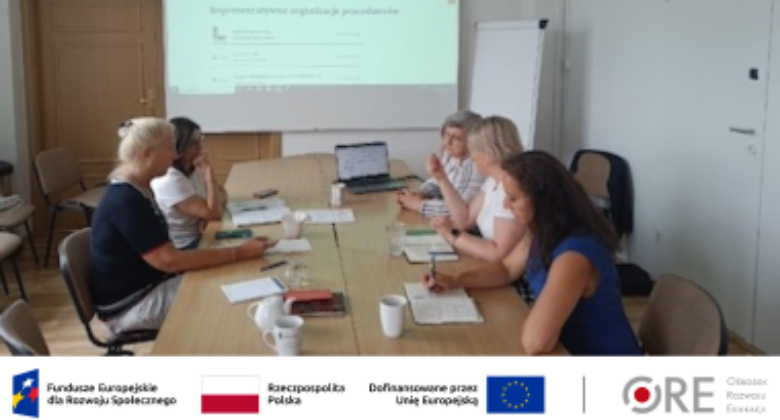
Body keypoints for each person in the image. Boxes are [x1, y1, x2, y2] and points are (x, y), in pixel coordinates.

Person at [423, 151, 642, 356]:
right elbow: (507, 269)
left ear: (542, 200)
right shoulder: (543, 228)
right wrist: (456, 281)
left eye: (513, 198)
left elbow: (535, 342)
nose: (506, 205)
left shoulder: (575, 256)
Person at [91, 117, 275, 336]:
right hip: (131, 307)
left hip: (154, 285)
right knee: (225, 295)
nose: (175, 155)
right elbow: (170, 261)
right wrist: (240, 252)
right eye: (170, 148)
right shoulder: (126, 200)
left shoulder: (138, 189)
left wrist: (236, 254)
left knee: (230, 275)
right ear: (146, 154)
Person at [427, 116, 526, 262]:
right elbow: (464, 220)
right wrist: (441, 178)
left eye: (473, 150)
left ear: (488, 154)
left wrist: (451, 233)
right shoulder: (492, 180)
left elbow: (498, 253)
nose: (471, 157)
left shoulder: (511, 189)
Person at [151, 117, 224, 249]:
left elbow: (223, 194)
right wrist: (209, 174)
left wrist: (205, 216)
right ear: (178, 147)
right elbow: (215, 214)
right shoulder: (170, 179)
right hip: (185, 245)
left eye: (201, 140)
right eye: (193, 144)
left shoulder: (193, 167)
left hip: (201, 235)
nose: (200, 148)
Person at [396, 110, 485, 217]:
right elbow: (439, 183)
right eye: (446, 135)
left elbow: (458, 210)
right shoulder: (451, 154)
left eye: (456, 138)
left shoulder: (475, 167)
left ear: (473, 142)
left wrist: (418, 205)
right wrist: (422, 194)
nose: (448, 142)